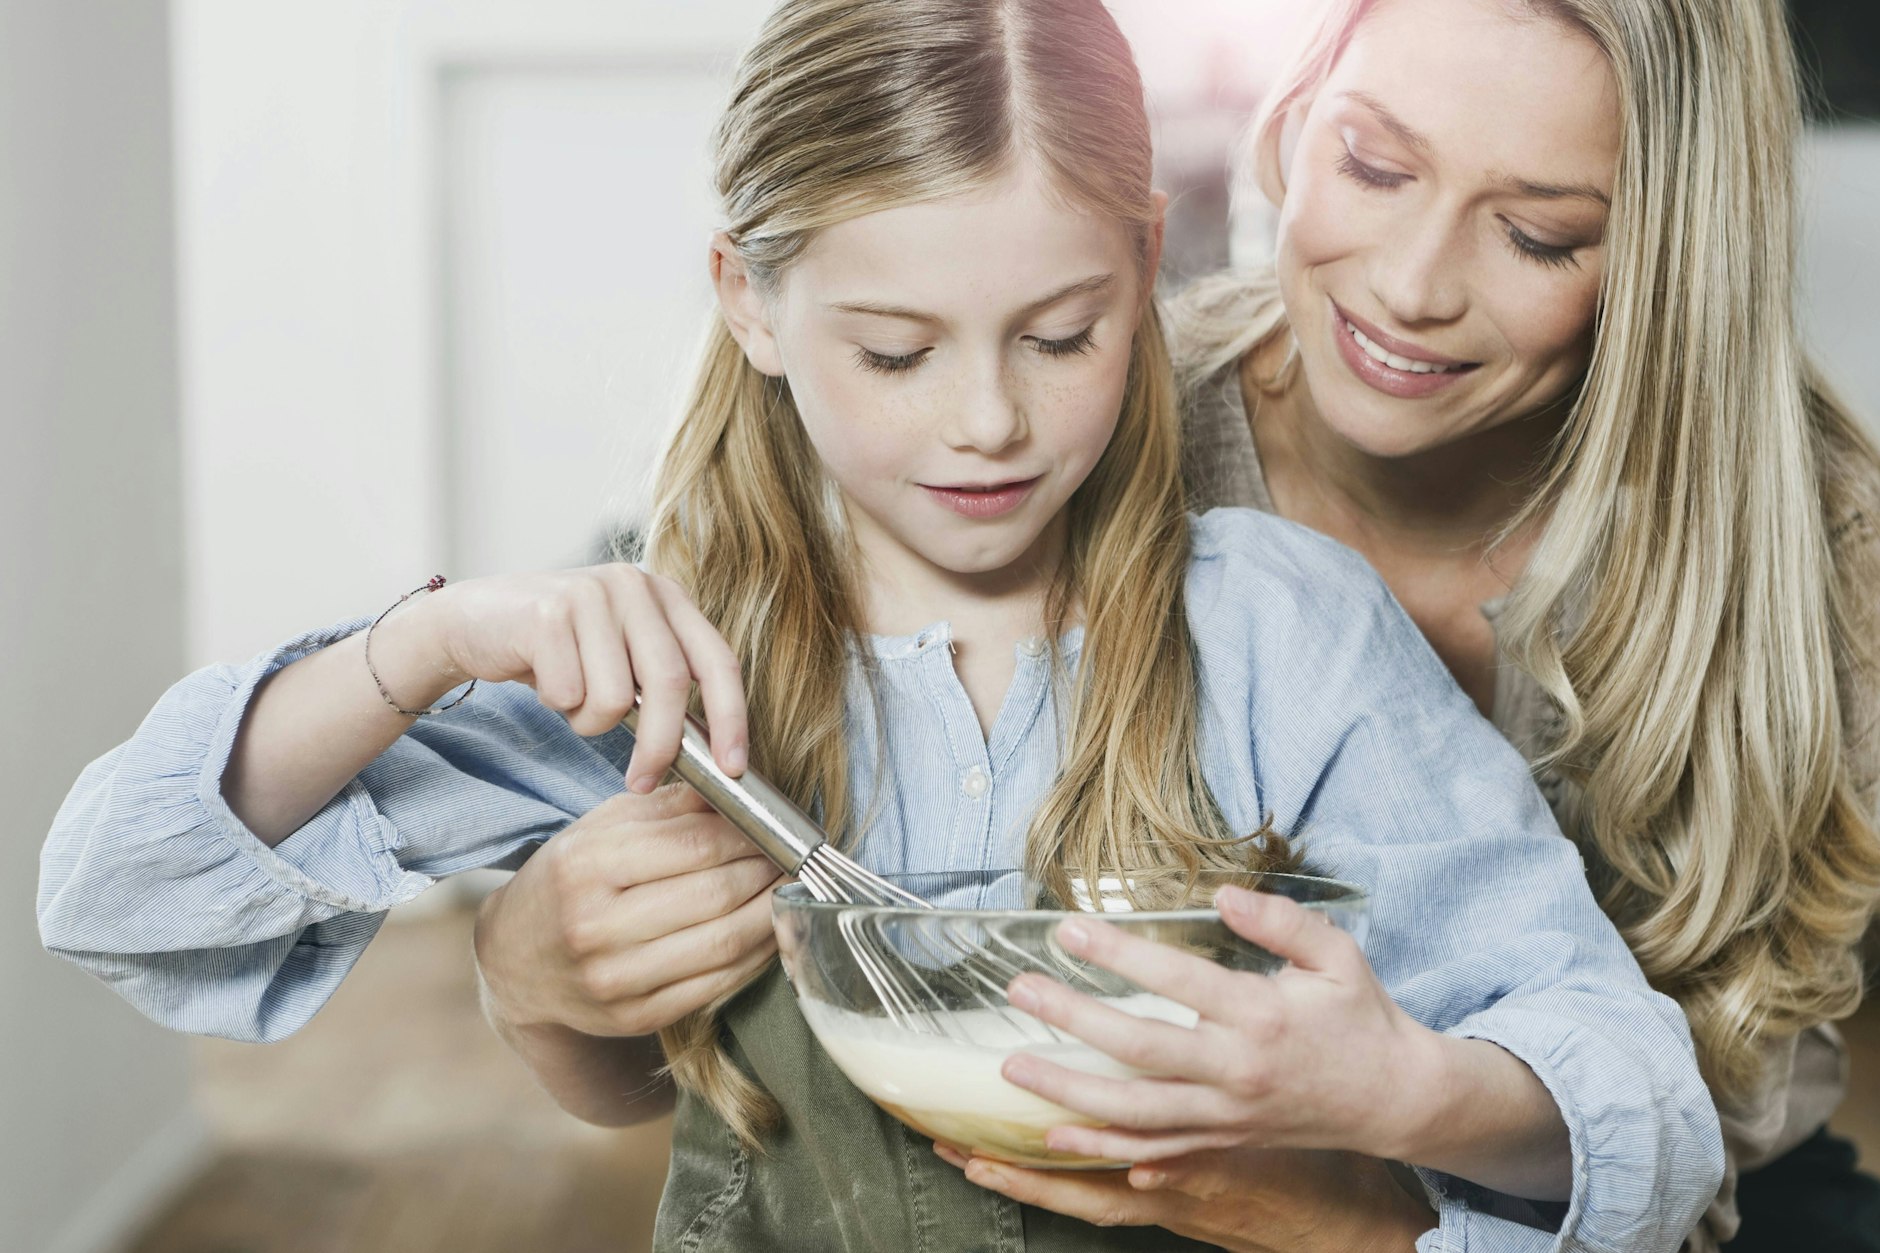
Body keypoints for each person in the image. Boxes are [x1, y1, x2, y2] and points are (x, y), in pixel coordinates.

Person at [38, 0, 1721, 1249]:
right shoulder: (666, 660)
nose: (985, 422)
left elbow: (1647, 1114)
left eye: (1060, 336)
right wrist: (422, 645)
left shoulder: (1282, 631)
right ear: (750, 303)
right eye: (897, 353)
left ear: (1146, 272)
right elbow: (116, 886)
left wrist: (1400, 1094)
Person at [926, 0, 1880, 1250]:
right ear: (1296, 108)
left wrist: (1357, 1217)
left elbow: (1712, 1114)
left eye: (1537, 236)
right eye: (1372, 165)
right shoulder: (1078, 423)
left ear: (1665, 256)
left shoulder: (1816, 547)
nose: (1408, 285)